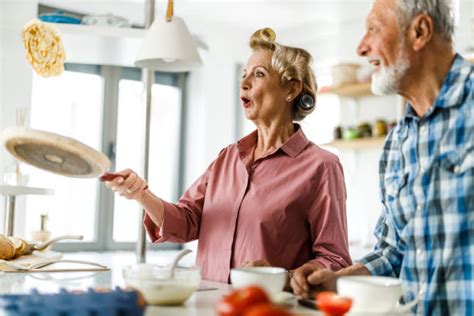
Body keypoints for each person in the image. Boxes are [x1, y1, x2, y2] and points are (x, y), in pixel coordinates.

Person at [105, 28, 352, 283]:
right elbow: (186, 221)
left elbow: (335, 260)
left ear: (291, 89)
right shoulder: (228, 158)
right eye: (243, 75)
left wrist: (284, 278)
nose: (244, 83)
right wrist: (140, 194)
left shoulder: (321, 166)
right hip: (209, 305)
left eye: (259, 74)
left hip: (267, 308)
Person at [290, 0, 474, 314]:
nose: (361, 48)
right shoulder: (397, 142)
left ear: (420, 31)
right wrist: (337, 280)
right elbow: (392, 253)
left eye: (374, 29)